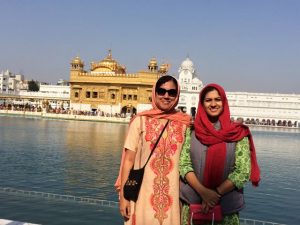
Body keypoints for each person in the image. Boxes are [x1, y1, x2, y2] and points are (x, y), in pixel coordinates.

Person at [115, 75, 191, 225]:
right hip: (142, 195)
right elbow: (128, 160)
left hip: (173, 197)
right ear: (154, 93)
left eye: (172, 92)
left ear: (177, 96)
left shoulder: (185, 124)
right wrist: (123, 197)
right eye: (161, 91)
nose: (166, 96)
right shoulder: (140, 121)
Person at [179, 83, 260, 225]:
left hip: (226, 208)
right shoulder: (192, 131)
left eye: (217, 99)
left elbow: (242, 172)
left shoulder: (238, 133)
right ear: (202, 104)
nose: (213, 104)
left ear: (224, 102)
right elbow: (184, 165)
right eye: (208, 100)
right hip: (193, 206)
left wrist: (215, 194)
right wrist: (204, 192)